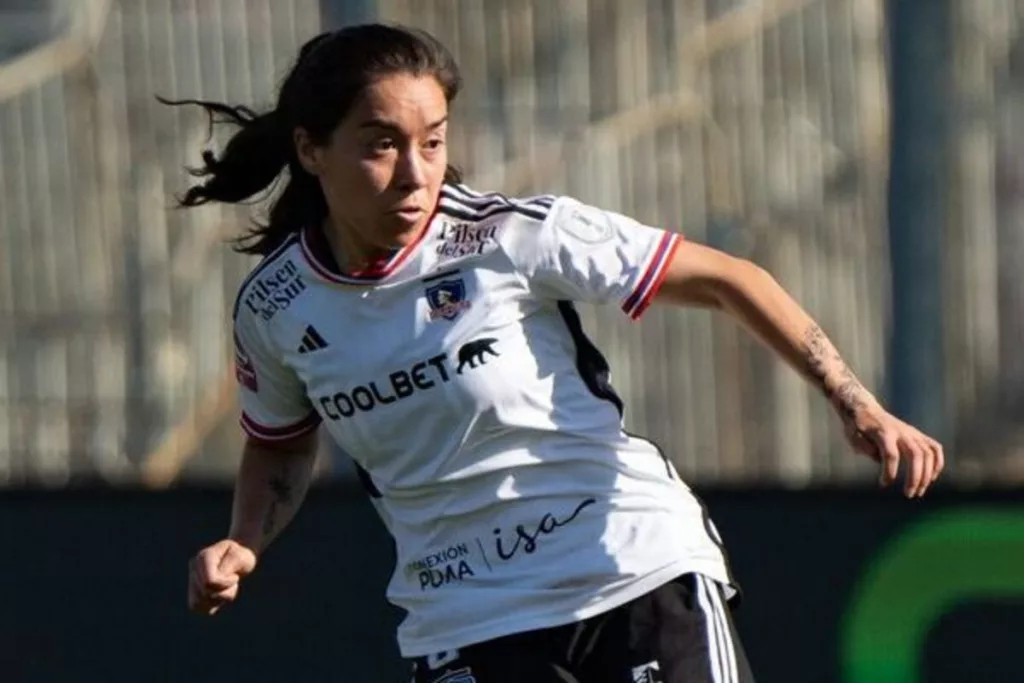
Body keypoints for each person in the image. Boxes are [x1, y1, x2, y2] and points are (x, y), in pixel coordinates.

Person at [170, 24, 943, 683]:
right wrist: (245, 539)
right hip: (462, 614)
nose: (415, 173)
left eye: (432, 143)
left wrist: (856, 401)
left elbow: (730, 279)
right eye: (381, 145)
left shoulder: (511, 237)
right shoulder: (275, 309)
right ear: (311, 150)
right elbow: (279, 445)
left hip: (629, 570)